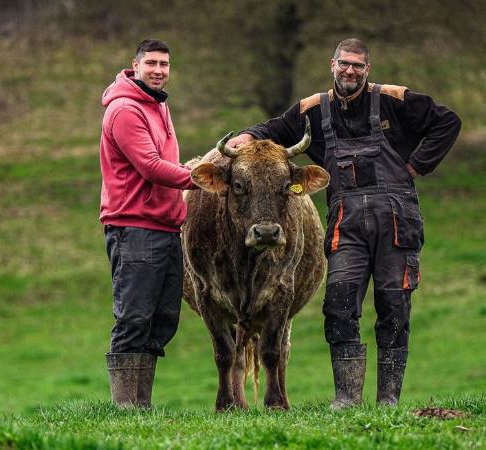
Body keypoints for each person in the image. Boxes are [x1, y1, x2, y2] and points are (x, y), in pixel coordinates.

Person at [226, 38, 461, 408]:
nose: (350, 71)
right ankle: (346, 398)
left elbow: (448, 121)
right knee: (338, 303)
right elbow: (273, 128)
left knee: (394, 305)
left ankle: (388, 400)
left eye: (358, 66)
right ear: (332, 65)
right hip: (345, 223)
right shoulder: (313, 109)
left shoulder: (393, 99)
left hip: (396, 221)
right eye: (344, 64)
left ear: (367, 70)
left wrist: (416, 166)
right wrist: (248, 135)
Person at [99, 39, 198, 408]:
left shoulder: (158, 104)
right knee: (134, 316)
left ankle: (141, 405)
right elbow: (151, 166)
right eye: (152, 63)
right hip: (135, 226)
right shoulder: (125, 110)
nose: (159, 70)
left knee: (162, 318)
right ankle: (126, 408)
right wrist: (198, 177)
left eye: (165, 64)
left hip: (165, 226)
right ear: (135, 65)